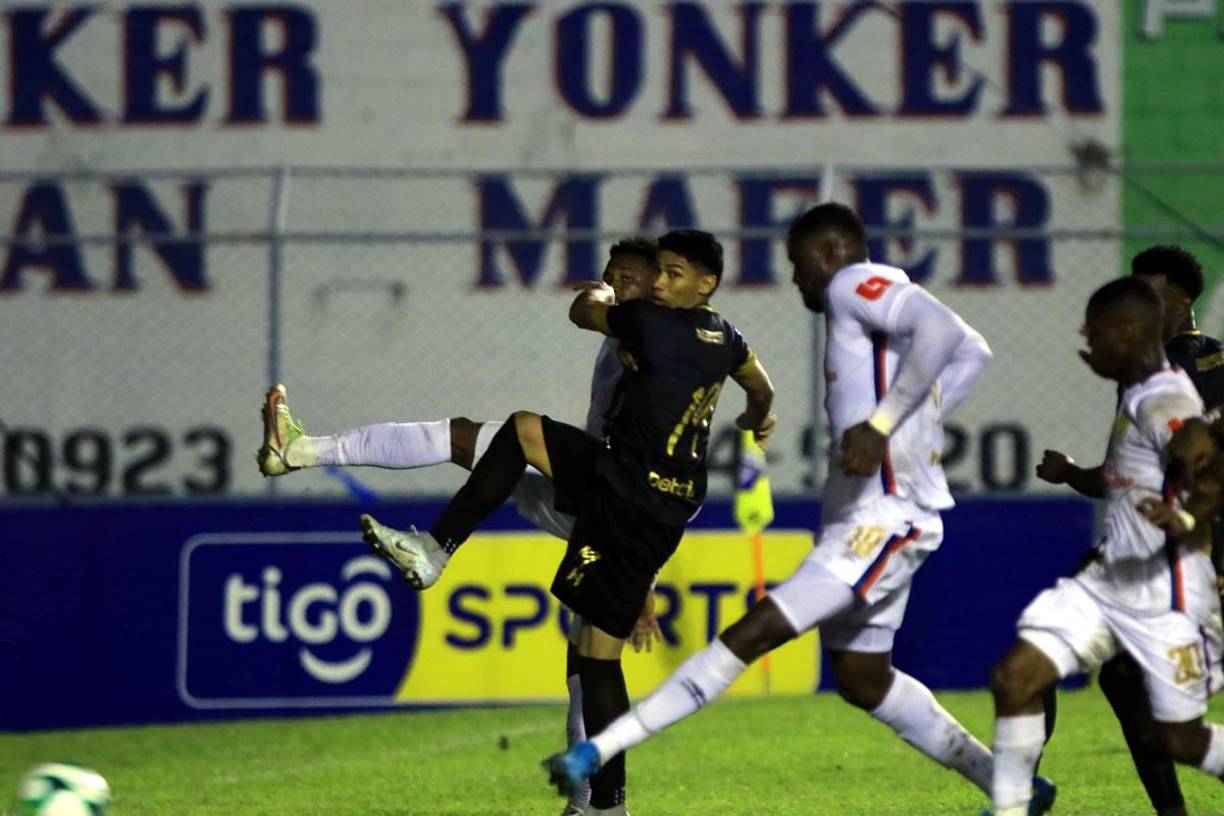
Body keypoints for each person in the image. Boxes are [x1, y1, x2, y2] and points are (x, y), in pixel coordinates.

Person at [541, 202, 1023, 810]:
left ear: (825, 253)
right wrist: (915, 424)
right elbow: (973, 350)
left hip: (884, 519)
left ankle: (593, 754)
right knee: (862, 678)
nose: (794, 278)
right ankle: (1011, 785)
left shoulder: (851, 282)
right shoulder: (880, 295)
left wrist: (881, 425)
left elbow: (946, 334)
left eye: (797, 264)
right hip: (866, 515)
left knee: (749, 633)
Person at [356, 228, 776, 816]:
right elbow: (762, 387)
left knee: (524, 433)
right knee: (596, 655)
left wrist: (607, 293)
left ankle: (435, 548)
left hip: (625, 489)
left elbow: (582, 312)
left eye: (673, 273)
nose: (658, 282)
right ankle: (607, 806)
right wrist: (758, 419)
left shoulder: (651, 323)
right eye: (658, 271)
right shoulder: (728, 338)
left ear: (706, 284)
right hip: (666, 506)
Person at [256, 237, 664, 816]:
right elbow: (592, 312)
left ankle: (431, 546)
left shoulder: (658, 336)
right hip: (593, 491)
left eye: (630, 277)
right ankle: (303, 451)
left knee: (590, 662)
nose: (617, 285)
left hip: (607, 498)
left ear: (663, 287)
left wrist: (644, 573)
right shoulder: (635, 326)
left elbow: (665, 469)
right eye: (612, 275)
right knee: (468, 438)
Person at [989, 277, 1224, 816]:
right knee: (1023, 673)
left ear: (1130, 330)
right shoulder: (1139, 392)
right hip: (1121, 570)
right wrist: (1073, 472)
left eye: (1094, 333)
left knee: (1179, 734)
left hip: (1167, 577)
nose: (1086, 343)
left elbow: (1204, 460)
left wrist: (1188, 517)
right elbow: (1132, 476)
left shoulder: (1165, 393)